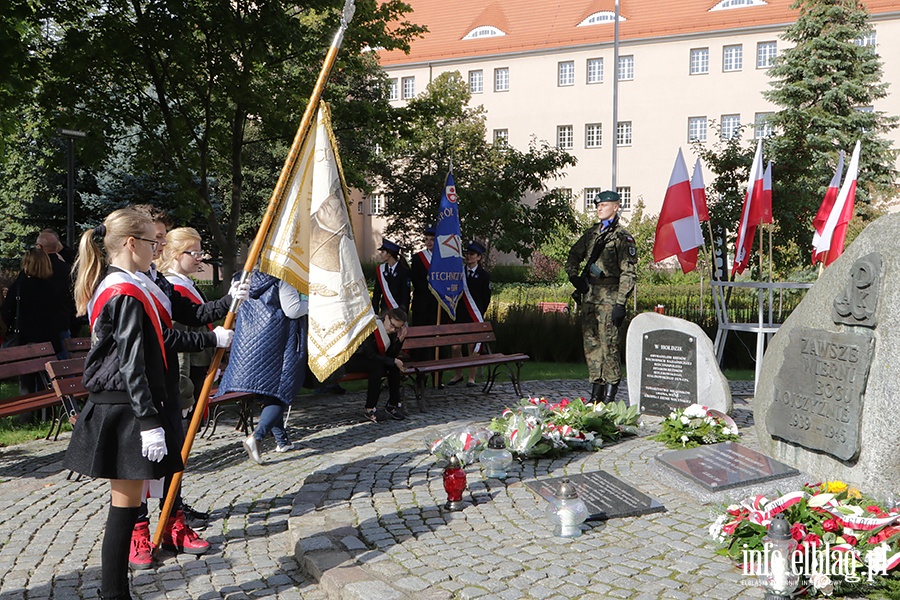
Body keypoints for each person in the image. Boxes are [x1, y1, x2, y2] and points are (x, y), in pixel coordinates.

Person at [62, 208, 186, 600]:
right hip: (127, 410)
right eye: (152, 242)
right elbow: (133, 364)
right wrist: (149, 421)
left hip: (124, 406)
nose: (157, 249)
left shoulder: (122, 284)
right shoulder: (125, 291)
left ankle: (114, 592)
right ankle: (113, 593)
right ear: (132, 243)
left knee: (126, 508)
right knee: (123, 510)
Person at [126, 205, 244, 569]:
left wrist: (230, 299)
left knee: (173, 453)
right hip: (139, 384)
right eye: (155, 240)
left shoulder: (157, 281)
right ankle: (139, 530)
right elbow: (161, 337)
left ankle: (173, 520)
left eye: (162, 239)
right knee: (140, 464)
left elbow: (191, 314)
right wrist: (210, 341)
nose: (159, 247)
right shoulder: (127, 283)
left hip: (165, 383)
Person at [217, 271, 308, 464]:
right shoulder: (284, 277)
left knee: (269, 392)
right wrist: (315, 303)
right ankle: (257, 437)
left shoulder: (238, 278)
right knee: (280, 392)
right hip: (278, 342)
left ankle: (282, 441)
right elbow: (292, 310)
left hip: (248, 344)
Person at [565, 190, 637, 404]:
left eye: (603, 205)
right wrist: (573, 277)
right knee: (592, 346)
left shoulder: (623, 237)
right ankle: (595, 394)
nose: (599, 208)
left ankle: (609, 396)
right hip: (590, 297)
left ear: (616, 207)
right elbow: (573, 255)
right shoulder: (591, 234)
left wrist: (621, 302)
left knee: (609, 346)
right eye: (597, 205)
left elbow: (628, 272)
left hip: (610, 298)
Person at [159, 227, 216, 419]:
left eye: (200, 253)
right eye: (194, 253)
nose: (199, 258)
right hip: (189, 369)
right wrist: (184, 389)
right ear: (176, 254)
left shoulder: (187, 283)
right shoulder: (174, 287)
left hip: (199, 364)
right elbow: (179, 345)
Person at [1, 249, 69, 394]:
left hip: (25, 342)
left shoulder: (20, 287)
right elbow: (61, 315)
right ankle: (48, 414)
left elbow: (7, 312)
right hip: (49, 342)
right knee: (47, 384)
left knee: (27, 384)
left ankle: (28, 416)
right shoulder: (52, 287)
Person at [345, 308, 408, 423]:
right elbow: (369, 353)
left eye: (397, 328)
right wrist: (392, 360)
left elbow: (390, 354)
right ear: (387, 317)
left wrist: (400, 340)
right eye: (392, 325)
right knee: (377, 367)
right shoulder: (372, 326)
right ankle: (370, 408)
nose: (393, 329)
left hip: (374, 360)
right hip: (356, 358)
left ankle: (392, 405)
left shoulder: (392, 333)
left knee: (393, 367)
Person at [449, 240, 491, 388]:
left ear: (479, 257)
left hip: (474, 315)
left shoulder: (483, 275)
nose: (469, 256)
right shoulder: (458, 273)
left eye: (472, 254)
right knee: (455, 347)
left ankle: (471, 378)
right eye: (467, 254)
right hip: (459, 315)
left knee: (471, 347)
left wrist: (479, 313)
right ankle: (458, 374)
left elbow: (486, 298)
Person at [409, 223, 446, 388]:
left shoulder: (444, 258)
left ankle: (438, 377)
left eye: (432, 239)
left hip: (438, 306)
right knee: (421, 343)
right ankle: (420, 376)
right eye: (427, 239)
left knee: (438, 343)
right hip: (422, 306)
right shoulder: (418, 258)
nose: (429, 242)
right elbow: (416, 281)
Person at [372, 239, 411, 315]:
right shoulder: (381, 270)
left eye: (383, 252)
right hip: (385, 310)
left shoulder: (403, 271)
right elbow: (377, 293)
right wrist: (375, 312)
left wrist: (403, 312)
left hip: (398, 311)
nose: (380, 254)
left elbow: (405, 295)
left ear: (389, 254)